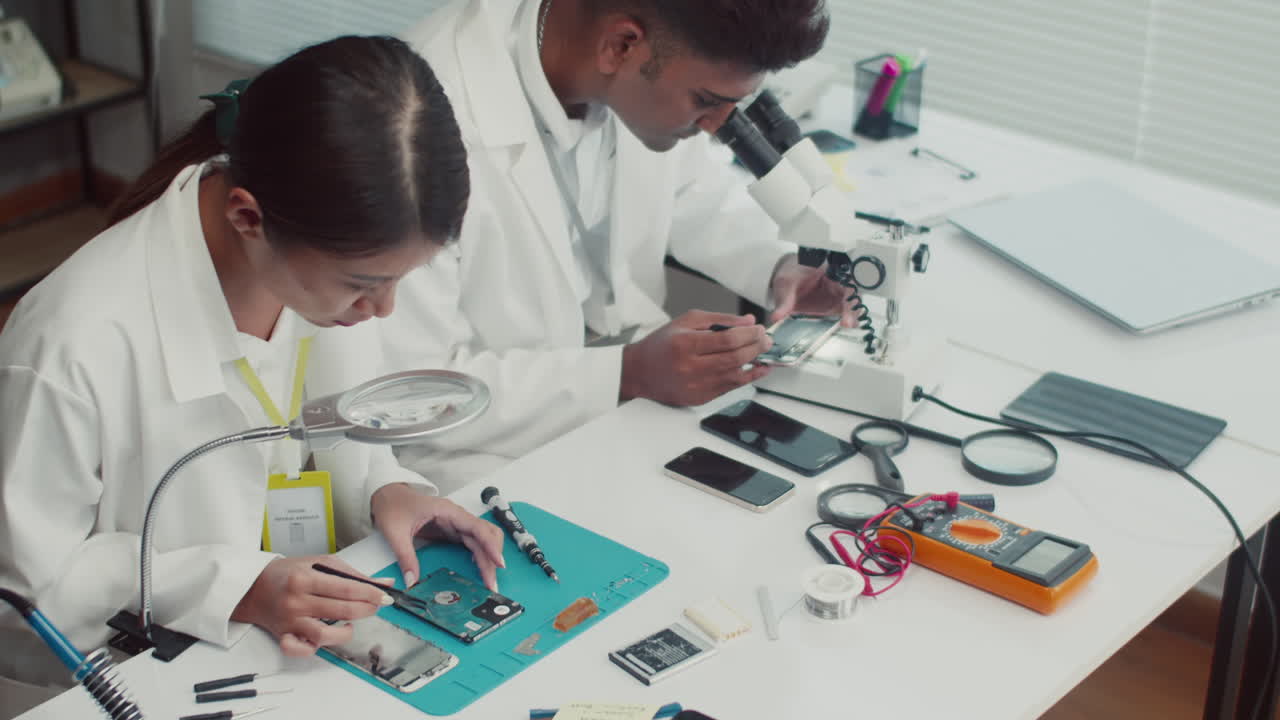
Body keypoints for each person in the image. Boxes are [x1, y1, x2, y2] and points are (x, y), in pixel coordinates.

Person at [0, 35, 502, 711]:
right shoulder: (72, 342)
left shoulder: (316, 262)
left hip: (316, 648)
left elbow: (331, 435)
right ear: (247, 217)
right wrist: (232, 585)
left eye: (399, 280)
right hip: (176, 681)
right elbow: (21, 600)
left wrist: (392, 489)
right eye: (363, 284)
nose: (384, 310)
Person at [385, 0, 847, 491]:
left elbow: (692, 192)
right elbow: (411, 392)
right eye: (706, 101)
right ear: (622, 45)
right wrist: (625, 374)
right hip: (479, 456)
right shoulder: (413, 122)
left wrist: (778, 269)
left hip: (630, 405)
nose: (715, 127)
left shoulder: (647, 66)